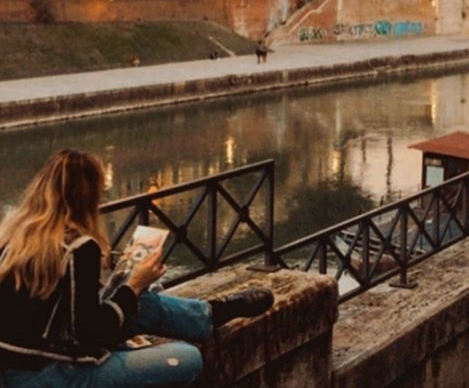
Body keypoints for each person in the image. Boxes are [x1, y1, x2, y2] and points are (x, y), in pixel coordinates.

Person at [0, 150, 274, 388]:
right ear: (88, 198)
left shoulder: (13, 234)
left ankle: (211, 314)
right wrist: (133, 286)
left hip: (20, 365)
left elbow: (54, 310)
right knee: (188, 358)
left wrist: (125, 290)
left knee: (143, 303)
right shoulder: (78, 247)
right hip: (50, 375)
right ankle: (204, 317)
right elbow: (89, 333)